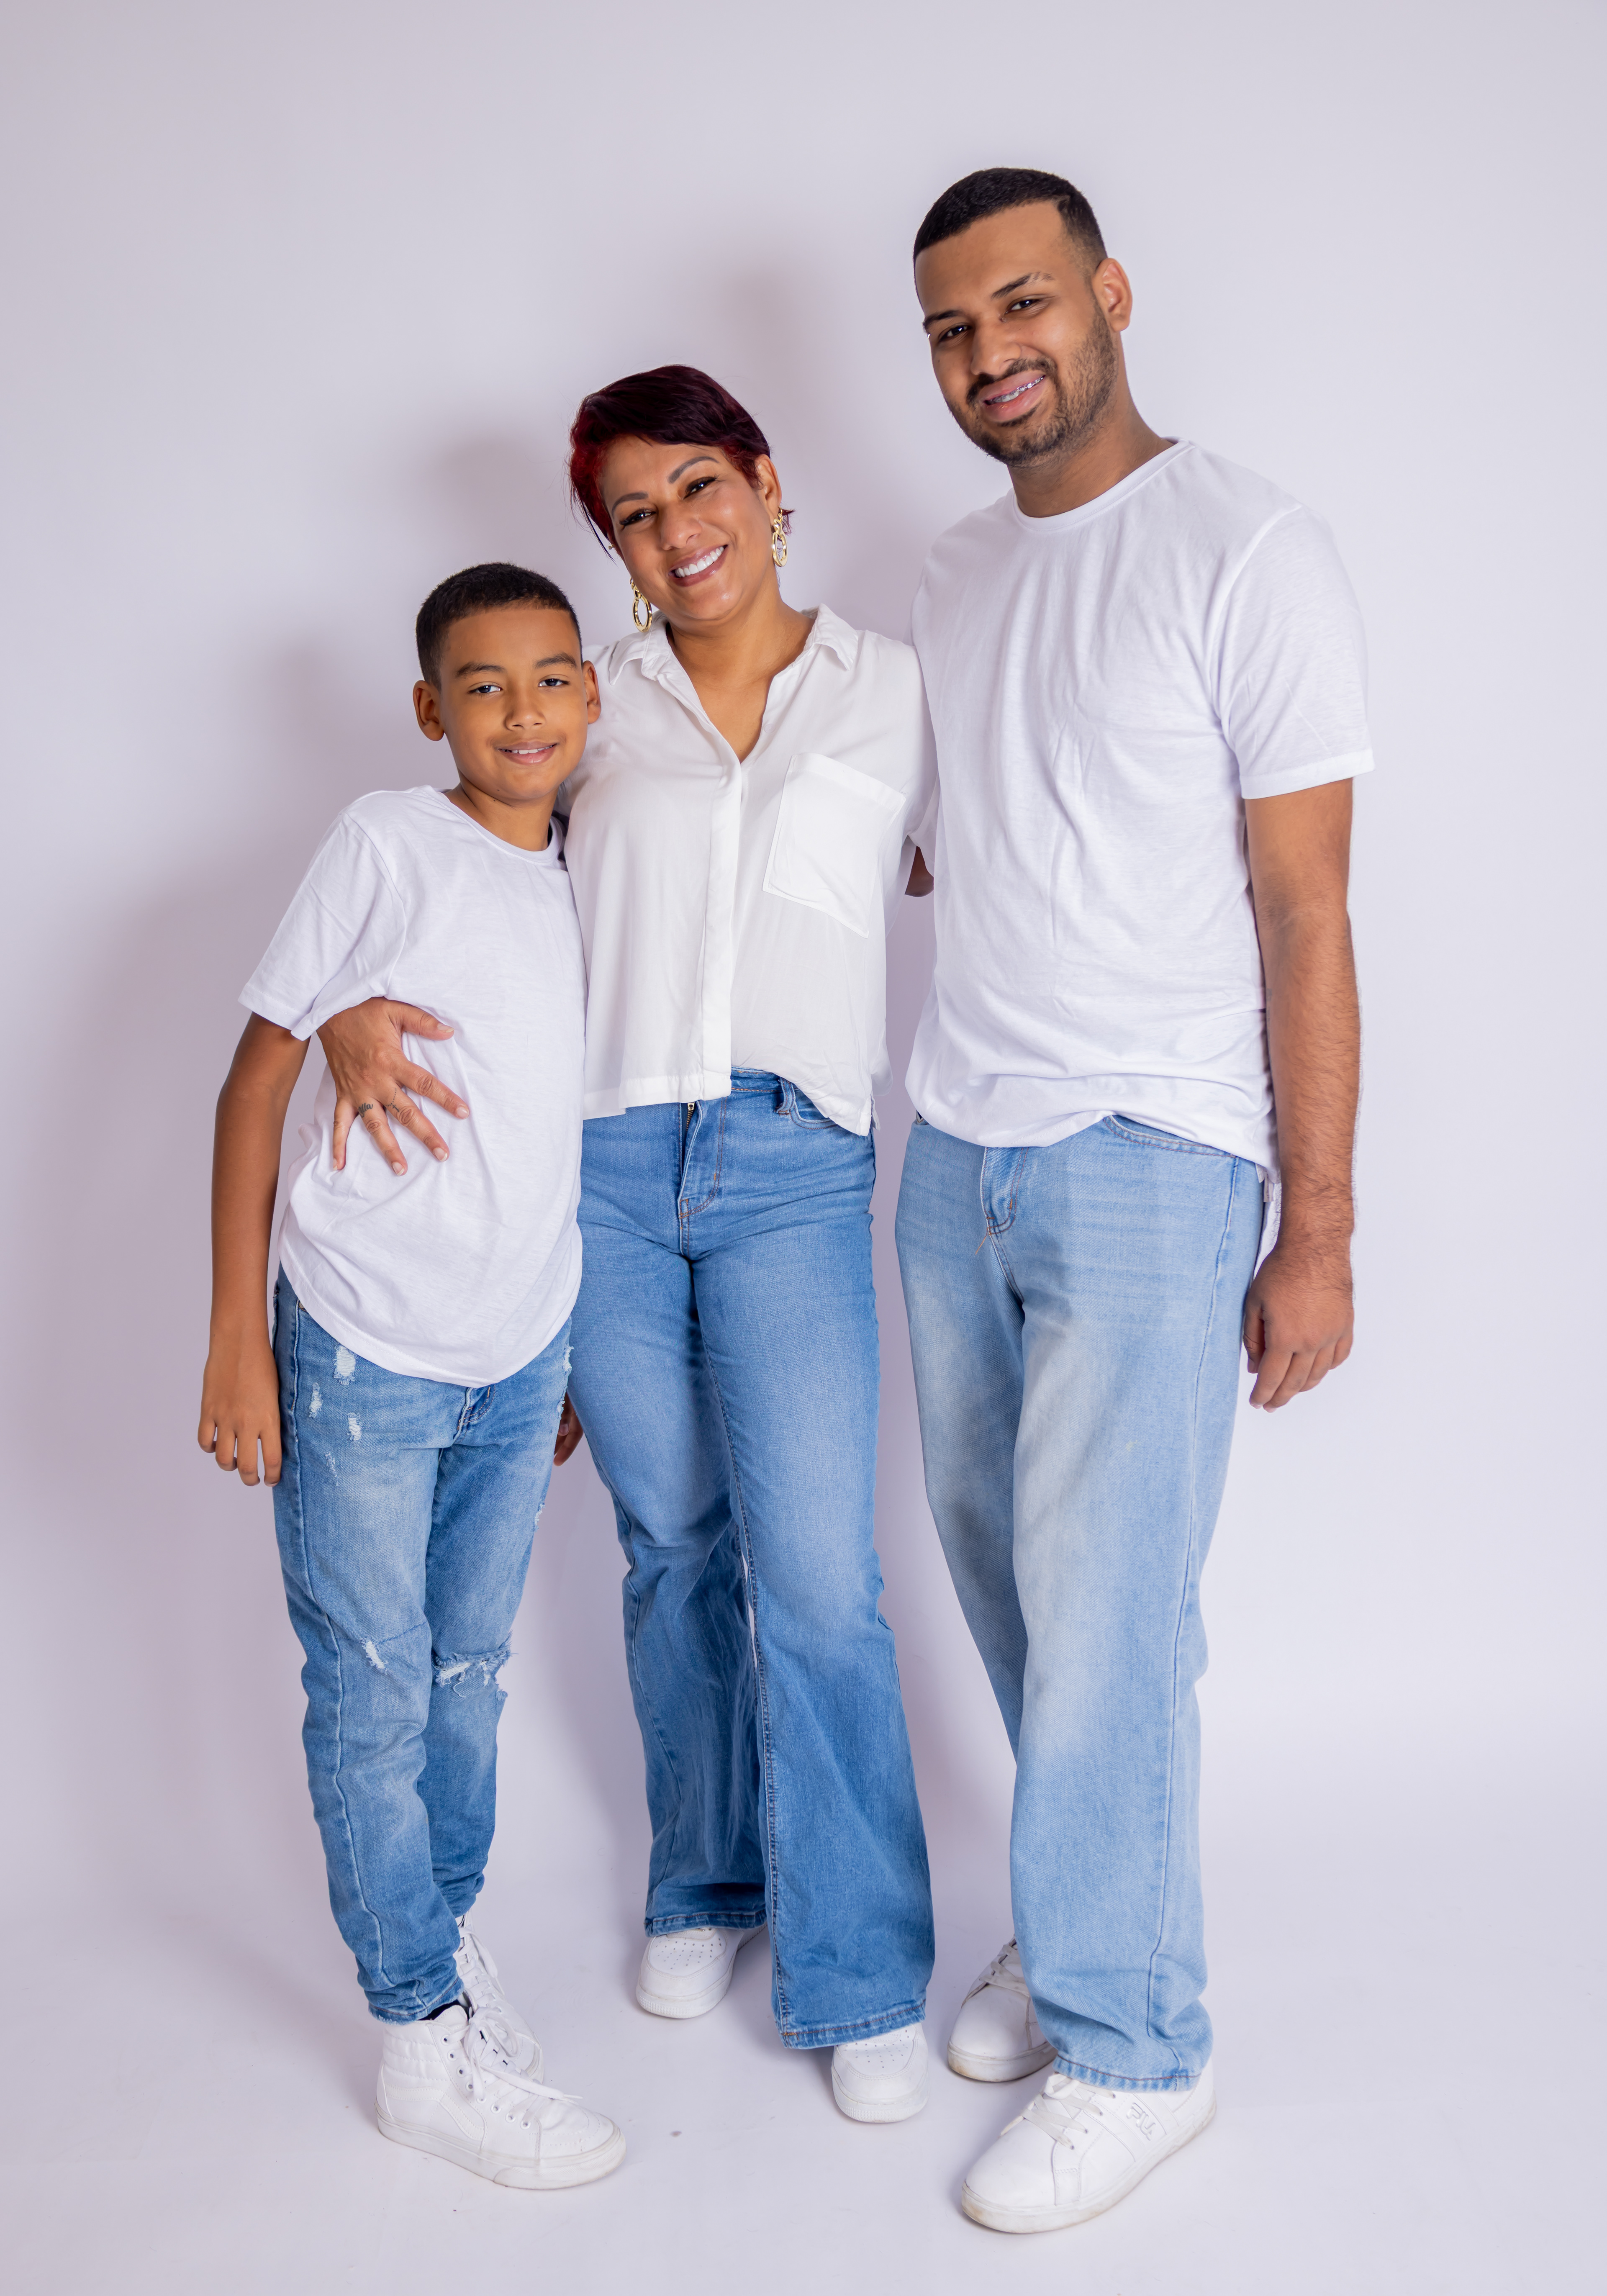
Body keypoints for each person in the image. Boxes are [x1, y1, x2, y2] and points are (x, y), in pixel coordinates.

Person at [315, 367, 939, 2123]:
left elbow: (976, 858)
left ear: (766, 481)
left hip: (797, 1161)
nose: (677, 534)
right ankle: (706, 1877)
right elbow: (457, 868)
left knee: (819, 1578)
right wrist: (348, 1002)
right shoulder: (597, 705)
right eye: (635, 518)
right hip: (596, 1164)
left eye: (698, 489)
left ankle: (860, 1966)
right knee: (674, 1542)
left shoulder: (898, 687)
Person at [893, 169, 1371, 2233]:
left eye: (1023, 304)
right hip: (958, 1146)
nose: (992, 353)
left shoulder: (1247, 547)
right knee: (1015, 1585)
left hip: (1156, 1152)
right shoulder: (950, 576)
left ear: (1108, 294)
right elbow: (944, 837)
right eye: (951, 329)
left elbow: (1306, 906)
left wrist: (1318, 1227)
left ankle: (1141, 2042)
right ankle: (1081, 1905)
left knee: (1110, 1612)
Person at [196, 562, 625, 2191]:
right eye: (484, 684)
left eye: (553, 677)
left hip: (515, 1356)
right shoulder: (389, 841)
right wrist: (237, 1336)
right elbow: (254, 1082)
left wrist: (548, 1343)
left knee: (467, 1676)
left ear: (593, 694)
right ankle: (416, 2033)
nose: (523, 711)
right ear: (430, 707)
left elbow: (539, 1118)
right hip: (363, 1348)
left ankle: (438, 1954)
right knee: (373, 1688)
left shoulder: (588, 867)